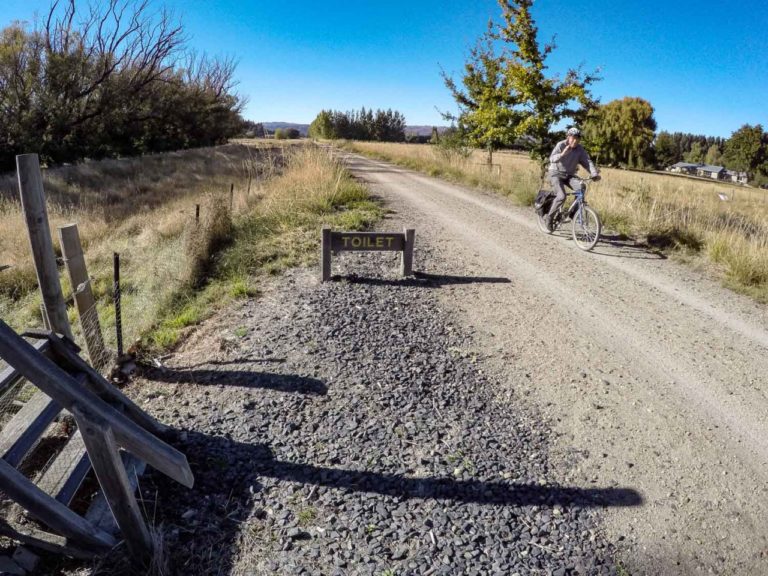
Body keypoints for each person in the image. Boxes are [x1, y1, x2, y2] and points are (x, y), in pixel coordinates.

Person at [545, 127, 600, 230]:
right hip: (555, 173)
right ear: (568, 137)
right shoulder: (561, 145)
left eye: (577, 138)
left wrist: (594, 173)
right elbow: (552, 158)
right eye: (573, 138)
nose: (575, 141)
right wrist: (562, 154)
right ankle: (549, 217)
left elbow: (587, 162)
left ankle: (573, 213)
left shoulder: (580, 149)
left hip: (569, 175)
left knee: (581, 187)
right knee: (561, 196)